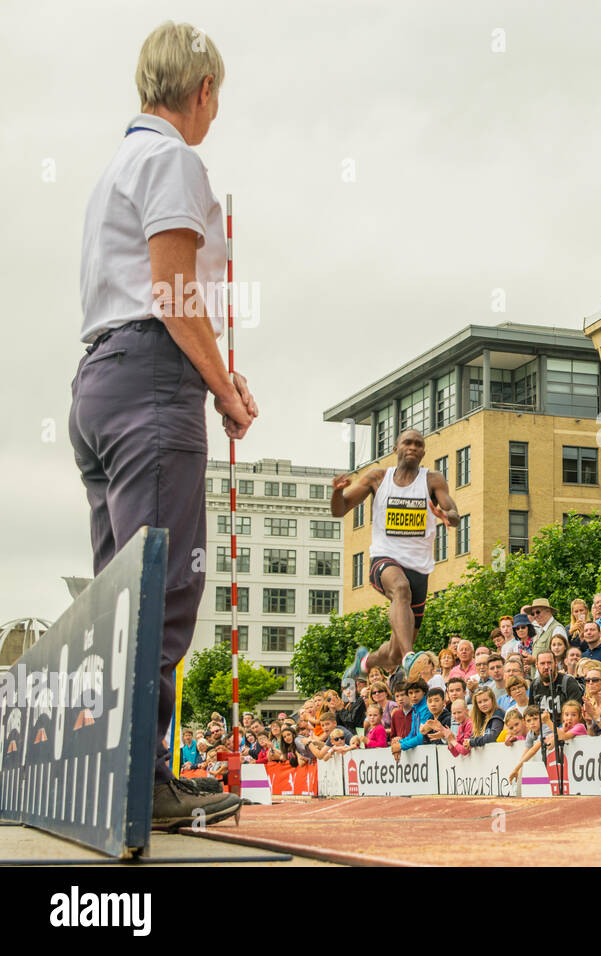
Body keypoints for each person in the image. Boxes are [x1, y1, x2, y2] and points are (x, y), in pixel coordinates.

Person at [71, 21, 252, 827]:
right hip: (150, 381)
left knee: (122, 591)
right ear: (203, 91)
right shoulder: (174, 158)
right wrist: (225, 389)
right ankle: (141, 780)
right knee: (164, 584)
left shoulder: (118, 164)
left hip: (101, 381)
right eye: (217, 99)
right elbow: (175, 293)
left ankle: (116, 772)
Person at [336, 430, 460, 682]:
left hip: (419, 568)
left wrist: (449, 516)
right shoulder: (378, 478)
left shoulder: (432, 480)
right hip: (384, 558)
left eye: (418, 444)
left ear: (424, 451)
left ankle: (365, 661)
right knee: (400, 589)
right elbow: (340, 509)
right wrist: (337, 492)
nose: (413, 447)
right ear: (396, 448)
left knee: (391, 654)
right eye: (407, 442)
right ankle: (409, 657)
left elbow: (452, 509)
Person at [529, 650, 583, 728]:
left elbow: (576, 713)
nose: (546, 667)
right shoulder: (534, 685)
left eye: (549, 663)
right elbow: (531, 713)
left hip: (565, 730)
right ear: (536, 665)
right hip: (542, 731)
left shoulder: (568, 682)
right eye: (542, 663)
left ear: (555, 663)